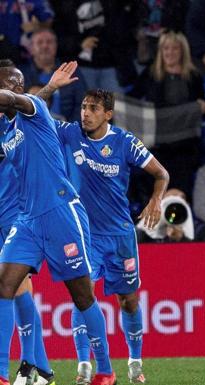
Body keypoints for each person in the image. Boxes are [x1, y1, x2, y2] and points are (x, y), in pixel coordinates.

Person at [39, 66, 169, 382]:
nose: (86, 113)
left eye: (93, 109)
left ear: (107, 114)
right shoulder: (69, 133)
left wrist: (155, 200)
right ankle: (85, 366)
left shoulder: (125, 142)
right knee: (83, 297)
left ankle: (135, 362)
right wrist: (51, 87)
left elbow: (161, 174)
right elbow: (36, 113)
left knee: (129, 300)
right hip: (84, 234)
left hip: (120, 234)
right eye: (84, 107)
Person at [0, 61, 116, 385]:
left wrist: (43, 91)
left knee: (81, 296)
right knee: (3, 285)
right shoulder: (6, 130)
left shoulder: (33, 109)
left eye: (12, 84)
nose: (11, 90)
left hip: (61, 213)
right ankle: (2, 376)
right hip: (28, 220)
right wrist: (49, 87)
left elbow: (14, 100)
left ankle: (105, 371)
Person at [0, 108, 54, 385]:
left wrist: (51, 87)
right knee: (15, 291)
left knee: (13, 288)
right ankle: (40, 368)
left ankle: (13, 370)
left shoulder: (20, 126)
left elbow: (34, 104)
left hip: (16, 218)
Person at [129, 30, 205, 199]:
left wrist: (203, 106)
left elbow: (203, 104)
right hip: (157, 148)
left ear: (183, 52)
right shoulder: (150, 74)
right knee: (157, 196)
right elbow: (131, 99)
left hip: (185, 149)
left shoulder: (193, 76)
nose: (170, 53)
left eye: (175, 48)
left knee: (179, 196)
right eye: (166, 48)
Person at [20, 28, 87, 122]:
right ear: (31, 49)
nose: (45, 46)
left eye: (49, 42)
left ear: (56, 46)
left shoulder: (71, 70)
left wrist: (72, 129)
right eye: (40, 42)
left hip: (66, 128)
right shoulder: (20, 74)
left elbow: (82, 103)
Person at [136, 189, 205, 243]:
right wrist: (143, 225)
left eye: (178, 203)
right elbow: (130, 249)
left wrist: (182, 239)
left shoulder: (202, 231)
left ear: (187, 206)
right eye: (168, 204)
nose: (173, 210)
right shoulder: (148, 232)